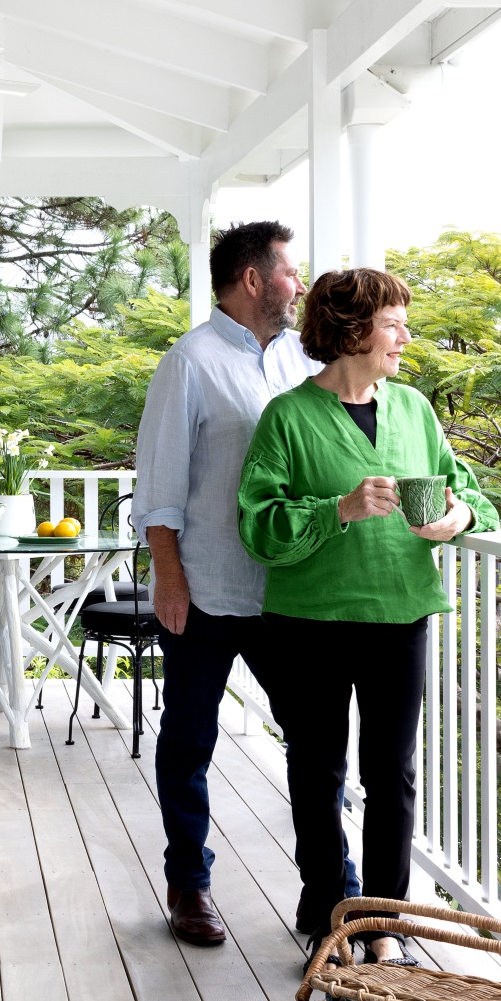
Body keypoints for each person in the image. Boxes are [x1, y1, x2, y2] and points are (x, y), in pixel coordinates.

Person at [238, 263, 496, 957]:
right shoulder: (287, 418)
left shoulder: (414, 409)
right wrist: (339, 509)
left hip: (399, 615)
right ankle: (330, 917)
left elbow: (472, 493)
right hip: (309, 623)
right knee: (317, 772)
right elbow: (259, 526)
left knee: (392, 775)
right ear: (353, 330)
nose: (405, 336)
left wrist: (457, 515)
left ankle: (384, 924)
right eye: (393, 323)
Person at [132, 218, 318, 946]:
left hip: (288, 593)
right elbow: (161, 482)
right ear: (253, 278)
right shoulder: (192, 360)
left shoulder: (303, 362)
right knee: (188, 740)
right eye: (289, 272)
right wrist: (168, 574)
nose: (298, 284)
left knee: (314, 739)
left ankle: (328, 889)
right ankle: (190, 884)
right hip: (206, 588)